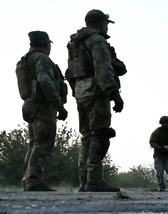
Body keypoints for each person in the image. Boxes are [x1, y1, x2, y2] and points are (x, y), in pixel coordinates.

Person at [66, 9, 125, 192]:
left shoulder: (74, 43)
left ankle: (84, 181)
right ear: (101, 23)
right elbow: (103, 68)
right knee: (100, 134)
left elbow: (70, 72)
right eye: (106, 23)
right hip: (96, 90)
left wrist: (75, 91)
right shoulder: (97, 41)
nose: (107, 27)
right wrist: (114, 93)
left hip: (80, 90)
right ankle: (94, 180)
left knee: (87, 137)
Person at [18, 31, 68, 191]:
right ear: (46, 44)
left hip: (29, 104)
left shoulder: (25, 60)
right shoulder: (41, 58)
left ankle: (28, 180)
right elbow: (45, 80)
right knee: (42, 144)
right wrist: (58, 104)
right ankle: (33, 181)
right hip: (42, 105)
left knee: (34, 143)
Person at [149, 116, 168, 192]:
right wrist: (159, 147)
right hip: (158, 156)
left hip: (167, 156)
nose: (166, 125)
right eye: (165, 123)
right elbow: (152, 142)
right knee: (160, 172)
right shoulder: (156, 132)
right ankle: (162, 187)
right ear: (161, 124)